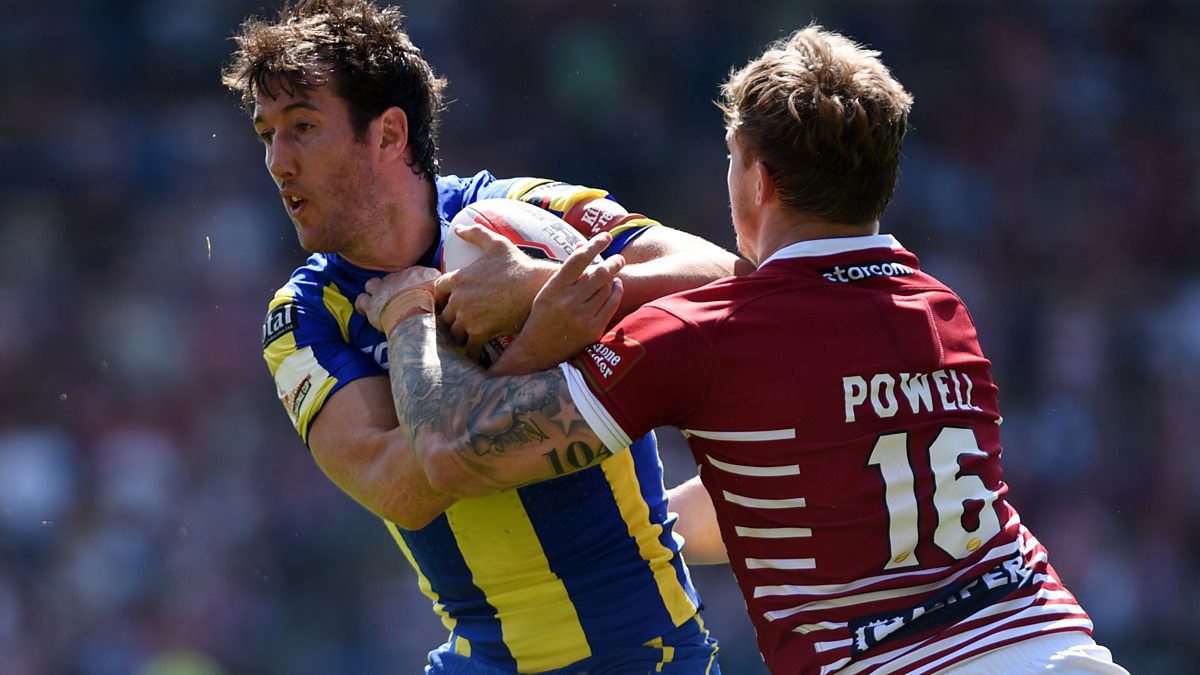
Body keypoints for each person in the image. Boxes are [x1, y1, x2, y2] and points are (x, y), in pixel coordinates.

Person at [358, 25, 1131, 674]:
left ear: (758, 179)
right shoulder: (940, 309)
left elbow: (455, 450)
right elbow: (792, 498)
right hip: (1060, 644)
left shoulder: (705, 333)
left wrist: (409, 313)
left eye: (731, 156)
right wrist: (637, 536)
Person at [221, 1, 746, 673]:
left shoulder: (526, 212)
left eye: (302, 127)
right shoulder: (304, 317)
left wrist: (546, 287)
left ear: (388, 135)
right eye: (266, 135)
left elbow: (727, 279)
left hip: (649, 654)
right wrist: (534, 345)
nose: (277, 162)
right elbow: (400, 489)